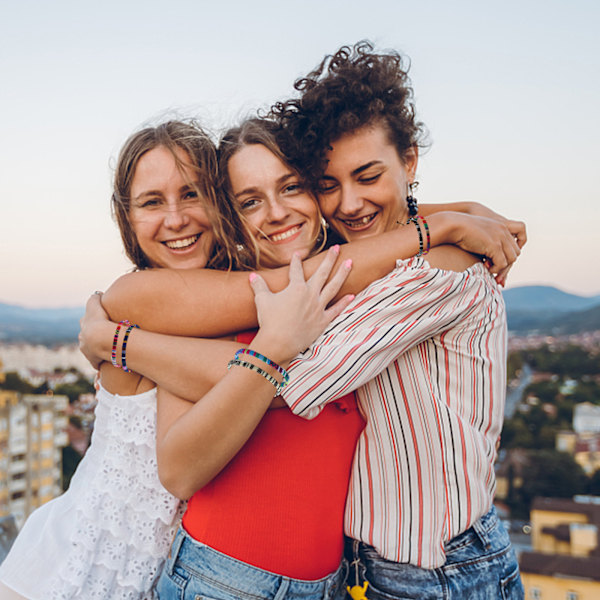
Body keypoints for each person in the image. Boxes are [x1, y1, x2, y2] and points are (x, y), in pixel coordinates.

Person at [80, 114, 524, 599]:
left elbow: (367, 216)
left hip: (338, 584)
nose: (275, 213)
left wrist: (459, 216)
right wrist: (124, 345)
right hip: (221, 580)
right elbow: (181, 469)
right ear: (231, 214)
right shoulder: (203, 306)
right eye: (249, 201)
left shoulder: (357, 284)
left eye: (292, 187)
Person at [0, 120, 352, 600]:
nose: (176, 218)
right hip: (78, 571)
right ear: (127, 219)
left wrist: (113, 341)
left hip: (159, 574)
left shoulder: (212, 298)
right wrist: (429, 231)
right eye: (151, 202)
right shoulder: (138, 295)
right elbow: (286, 364)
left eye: (191, 195)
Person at [269, 40, 526, 599]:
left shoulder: (440, 270)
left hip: (436, 576)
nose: (348, 204)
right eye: (327, 185)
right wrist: (458, 213)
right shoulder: (401, 254)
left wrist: (126, 343)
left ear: (409, 162)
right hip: (381, 570)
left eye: (368, 176)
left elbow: (290, 381)